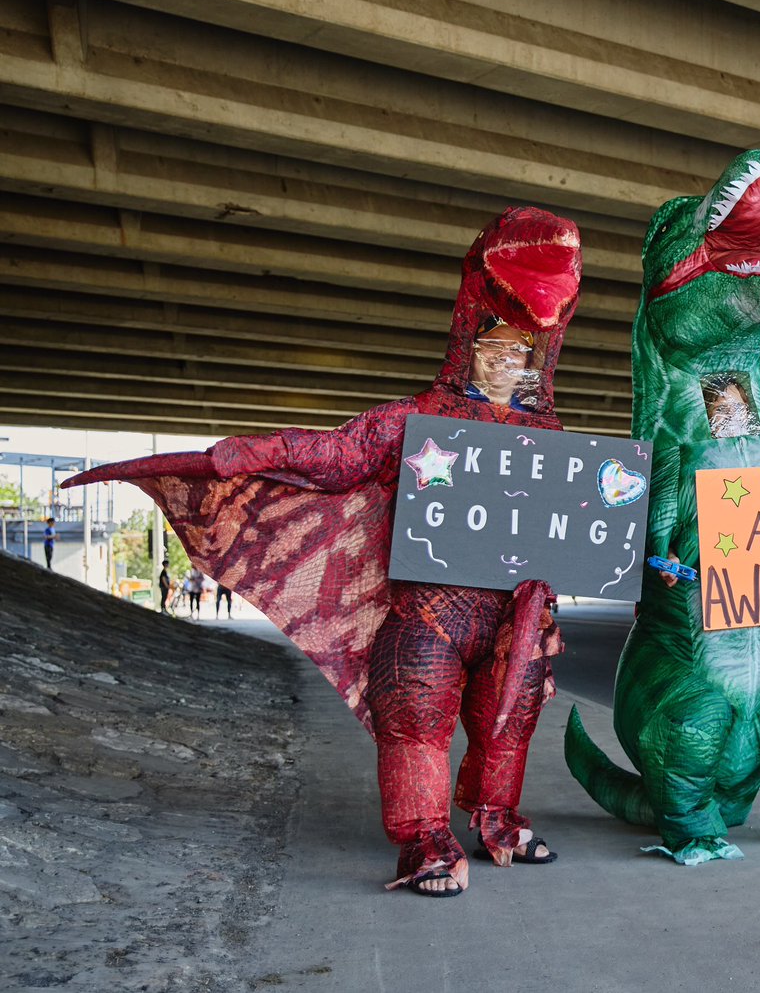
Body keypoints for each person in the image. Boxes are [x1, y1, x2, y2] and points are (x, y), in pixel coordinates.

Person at [61, 207, 582, 899]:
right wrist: (240, 454)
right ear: (473, 328)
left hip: (512, 617)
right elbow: (338, 456)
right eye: (498, 344)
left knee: (510, 715)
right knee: (416, 717)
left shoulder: (555, 439)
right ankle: (423, 836)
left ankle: (496, 816)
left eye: (521, 349)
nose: (509, 358)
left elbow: (580, 525)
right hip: (428, 609)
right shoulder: (418, 417)